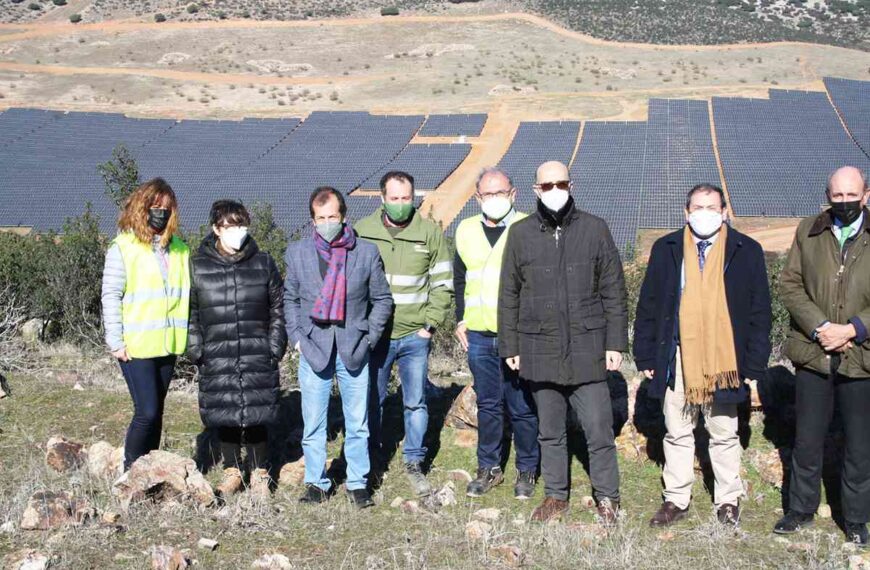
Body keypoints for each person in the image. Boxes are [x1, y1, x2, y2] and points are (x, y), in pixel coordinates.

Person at [634, 184, 772, 527]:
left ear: (725, 211)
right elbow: (649, 304)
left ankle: (728, 499)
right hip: (676, 355)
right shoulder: (666, 248)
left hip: (724, 359)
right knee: (677, 430)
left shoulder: (746, 250)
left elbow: (760, 311)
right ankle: (676, 498)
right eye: (698, 207)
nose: (705, 213)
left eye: (712, 206)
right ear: (686, 212)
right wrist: (646, 355)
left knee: (724, 430)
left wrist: (754, 362)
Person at [498, 160, 628, 524]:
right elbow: (509, 293)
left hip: (588, 347)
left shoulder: (595, 229)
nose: (555, 190)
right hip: (539, 347)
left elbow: (614, 291)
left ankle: (607, 496)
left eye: (561, 183)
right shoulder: (521, 234)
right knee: (550, 431)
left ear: (571, 184)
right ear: (536, 190)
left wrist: (615, 342)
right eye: (547, 185)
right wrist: (510, 346)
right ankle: (556, 496)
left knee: (599, 428)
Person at [774, 166, 870, 548]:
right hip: (814, 353)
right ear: (827, 195)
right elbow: (789, 283)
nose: (844, 202)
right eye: (837, 196)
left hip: (862, 357)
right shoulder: (808, 230)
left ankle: (858, 518)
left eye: (852, 195)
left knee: (860, 445)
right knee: (807, 439)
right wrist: (821, 328)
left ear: (865, 195)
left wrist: (853, 329)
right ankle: (800, 510)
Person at [284, 187, 393, 508]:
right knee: (314, 422)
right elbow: (289, 299)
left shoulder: (366, 253)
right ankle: (316, 482)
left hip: (354, 348)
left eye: (333, 216)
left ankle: (358, 483)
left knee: (357, 422)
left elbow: (382, 300)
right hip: (314, 348)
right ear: (312, 221)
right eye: (321, 218)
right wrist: (297, 339)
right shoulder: (297, 253)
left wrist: (369, 337)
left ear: (343, 217)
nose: (327, 223)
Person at [356, 171, 453, 497]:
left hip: (415, 335)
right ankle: (372, 455)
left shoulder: (428, 233)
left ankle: (414, 459)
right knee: (373, 400)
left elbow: (442, 282)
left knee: (416, 402)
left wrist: (430, 325)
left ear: (415, 198)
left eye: (406, 198)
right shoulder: (363, 232)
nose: (400, 204)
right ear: (382, 198)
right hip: (377, 337)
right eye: (394, 198)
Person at [187, 200, 287, 500]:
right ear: (216, 228)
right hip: (216, 352)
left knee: (256, 412)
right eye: (231, 226)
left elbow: (279, 307)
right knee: (225, 413)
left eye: (242, 225)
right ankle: (232, 471)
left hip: (257, 351)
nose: (238, 232)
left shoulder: (263, 263)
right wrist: (197, 349)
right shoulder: (197, 266)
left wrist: (274, 346)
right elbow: (188, 312)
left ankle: (259, 473)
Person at [454, 167, 539, 499]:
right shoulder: (464, 230)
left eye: (500, 193)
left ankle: (527, 468)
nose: (494, 199)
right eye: (488, 194)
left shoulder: (528, 228)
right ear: (478, 198)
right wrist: (460, 318)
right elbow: (461, 277)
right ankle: (488, 467)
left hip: (516, 334)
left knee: (521, 405)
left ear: (513, 194)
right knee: (488, 404)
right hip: (478, 334)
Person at [101, 178, 190, 471]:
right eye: (155, 207)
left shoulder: (179, 249)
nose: (160, 213)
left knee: (158, 412)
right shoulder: (123, 247)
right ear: (142, 208)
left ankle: (149, 472)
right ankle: (131, 472)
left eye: (166, 208)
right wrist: (115, 340)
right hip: (136, 345)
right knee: (147, 412)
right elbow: (111, 295)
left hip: (168, 343)